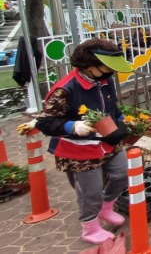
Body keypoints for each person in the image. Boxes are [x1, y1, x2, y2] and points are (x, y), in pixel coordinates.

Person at [30, 38, 135, 245]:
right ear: (88, 66)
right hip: (78, 150)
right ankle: (90, 226)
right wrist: (72, 127)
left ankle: (106, 207)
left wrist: (120, 120)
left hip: (106, 140)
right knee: (90, 191)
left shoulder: (105, 80)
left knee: (122, 172)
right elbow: (45, 122)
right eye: (106, 68)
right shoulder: (65, 90)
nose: (110, 73)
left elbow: (111, 105)